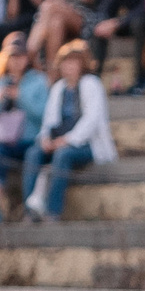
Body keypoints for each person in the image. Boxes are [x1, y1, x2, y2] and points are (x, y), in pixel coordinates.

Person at [21, 40, 113, 218]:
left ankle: (52, 211)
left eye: (73, 62)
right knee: (34, 153)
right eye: (65, 62)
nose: (68, 67)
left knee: (63, 155)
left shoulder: (92, 84)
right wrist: (46, 138)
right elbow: (49, 121)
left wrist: (68, 140)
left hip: (87, 143)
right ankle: (30, 209)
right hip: (60, 140)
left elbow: (92, 120)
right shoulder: (58, 88)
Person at [0, 36, 47, 224]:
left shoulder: (38, 81)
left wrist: (21, 97)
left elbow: (44, 115)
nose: (17, 61)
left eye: (20, 56)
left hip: (26, 139)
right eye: (12, 56)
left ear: (27, 58)